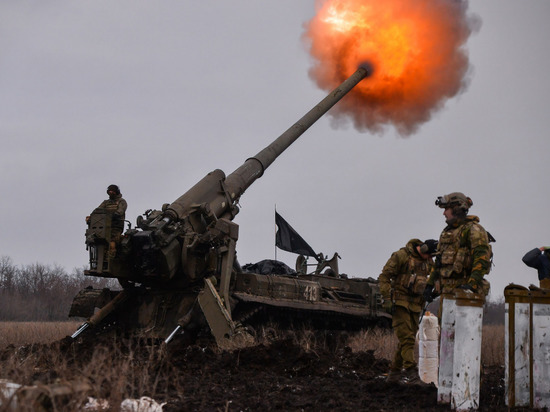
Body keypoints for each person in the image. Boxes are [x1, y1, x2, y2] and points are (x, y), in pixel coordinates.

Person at [378, 238, 438, 384]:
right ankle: (411, 372)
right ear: (422, 249)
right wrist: (386, 298)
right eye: (429, 255)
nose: (430, 259)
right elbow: (384, 277)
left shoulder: (428, 262)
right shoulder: (401, 256)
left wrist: (433, 292)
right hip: (400, 304)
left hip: (416, 305)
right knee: (408, 339)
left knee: (407, 340)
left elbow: (434, 277)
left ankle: (394, 374)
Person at [424, 192, 492, 300]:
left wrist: (471, 286)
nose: (444, 213)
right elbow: (438, 261)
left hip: (465, 296)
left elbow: (481, 260)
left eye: (446, 209)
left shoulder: (474, 230)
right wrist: (429, 285)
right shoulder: (447, 232)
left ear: (456, 209)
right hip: (447, 294)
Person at [87, 184, 127, 258]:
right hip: (105, 225)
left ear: (116, 192)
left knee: (112, 241)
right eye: (109, 192)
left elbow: (120, 211)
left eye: (112, 192)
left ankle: (111, 258)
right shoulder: (106, 202)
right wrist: (91, 217)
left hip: (116, 226)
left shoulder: (121, 201)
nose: (111, 193)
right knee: (100, 241)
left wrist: (114, 215)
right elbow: (98, 210)